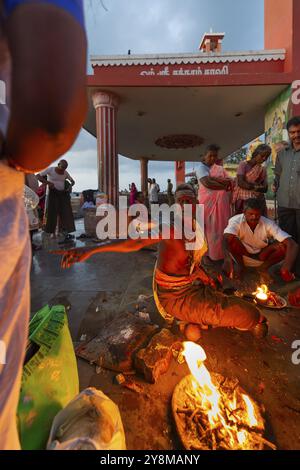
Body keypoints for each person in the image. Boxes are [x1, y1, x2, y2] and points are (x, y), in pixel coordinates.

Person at [0, 0, 86, 450]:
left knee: (61, 216)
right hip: (39, 194)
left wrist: (65, 174)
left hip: (56, 194)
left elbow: (61, 174)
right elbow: (50, 118)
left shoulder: (63, 173)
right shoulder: (43, 167)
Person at [54, 184, 267, 338]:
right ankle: (195, 319)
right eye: (180, 200)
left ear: (195, 203)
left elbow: (192, 261)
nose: (185, 204)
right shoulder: (169, 228)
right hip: (175, 298)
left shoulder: (195, 227)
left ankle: (197, 320)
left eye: (189, 200)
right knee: (250, 314)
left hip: (191, 285)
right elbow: (133, 244)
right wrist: (89, 250)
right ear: (175, 205)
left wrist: (202, 274)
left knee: (223, 289)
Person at [223, 198, 298, 282]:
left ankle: (262, 269)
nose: (254, 217)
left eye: (257, 214)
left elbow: (292, 244)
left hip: (261, 256)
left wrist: (285, 269)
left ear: (261, 213)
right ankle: (241, 267)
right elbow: (226, 238)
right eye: (251, 214)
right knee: (231, 240)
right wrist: (227, 259)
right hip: (243, 255)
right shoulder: (236, 221)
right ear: (244, 213)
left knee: (282, 246)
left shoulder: (268, 223)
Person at [274, 116, 300, 277]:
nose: (296, 135)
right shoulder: (282, 154)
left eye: (299, 131)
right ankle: (287, 270)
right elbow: (277, 175)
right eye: (292, 132)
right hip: (284, 203)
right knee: (288, 240)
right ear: (288, 134)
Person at [197, 144, 232, 261]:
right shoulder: (201, 168)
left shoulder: (218, 168)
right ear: (204, 156)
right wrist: (222, 185)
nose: (212, 158)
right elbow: (207, 183)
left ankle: (217, 254)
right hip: (206, 203)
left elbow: (229, 182)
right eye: (210, 156)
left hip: (219, 205)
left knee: (218, 228)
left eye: (215, 156)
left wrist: (220, 183)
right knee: (208, 230)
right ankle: (207, 254)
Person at [37, 159, 76, 242]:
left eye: (64, 169)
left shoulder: (65, 173)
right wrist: (48, 183)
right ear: (58, 164)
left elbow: (72, 181)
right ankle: (52, 233)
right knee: (52, 213)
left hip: (62, 194)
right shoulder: (50, 169)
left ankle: (60, 231)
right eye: (61, 168)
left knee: (63, 213)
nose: (62, 170)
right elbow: (38, 176)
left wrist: (69, 187)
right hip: (52, 193)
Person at [233, 144, 271, 216]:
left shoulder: (262, 169)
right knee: (242, 221)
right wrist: (257, 186)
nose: (264, 159)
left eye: (266, 157)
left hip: (257, 201)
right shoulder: (243, 165)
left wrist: (250, 186)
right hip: (242, 199)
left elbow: (265, 188)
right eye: (262, 156)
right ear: (256, 153)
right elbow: (241, 183)